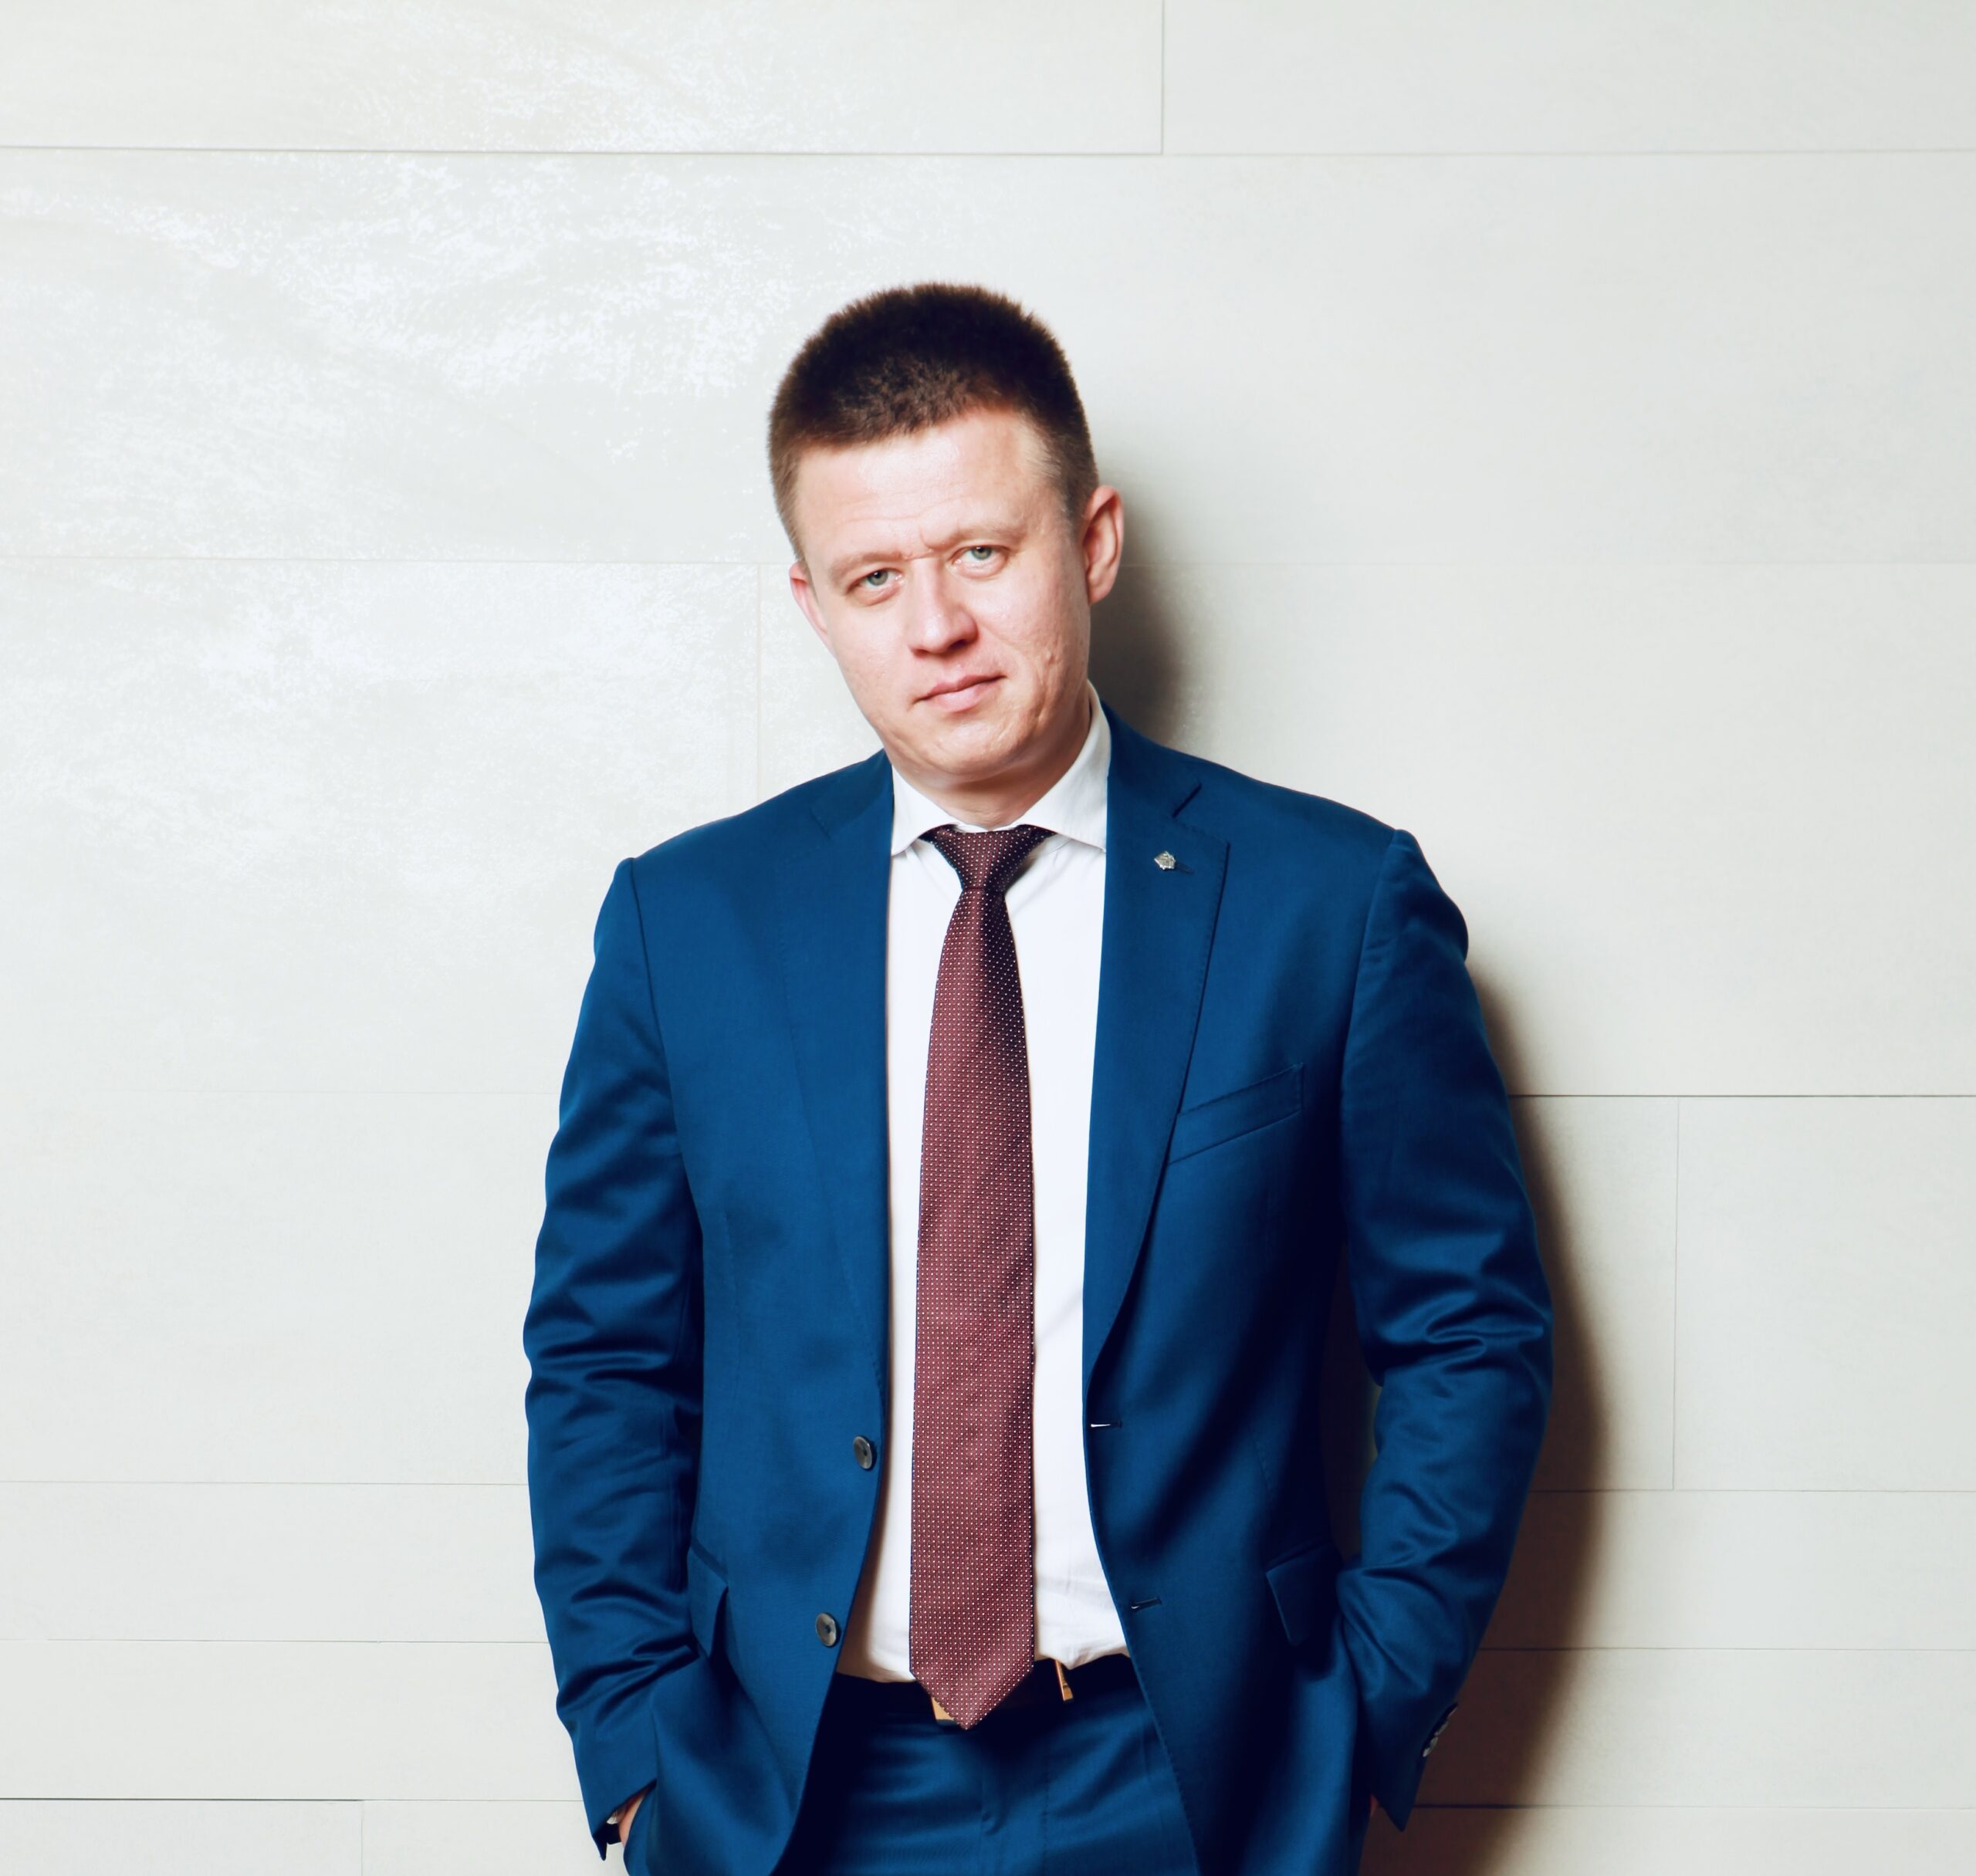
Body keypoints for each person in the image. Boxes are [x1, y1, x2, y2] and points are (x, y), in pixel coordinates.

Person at [523, 282, 1554, 1876]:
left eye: (980, 555)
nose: (933, 626)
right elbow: (605, 1357)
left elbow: (1464, 1331)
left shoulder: (1329, 907)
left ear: (1092, 543)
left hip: (1198, 1779)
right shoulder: (689, 924)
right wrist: (639, 1744)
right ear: (813, 604)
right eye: (874, 578)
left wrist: (1360, 1707)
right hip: (786, 1792)